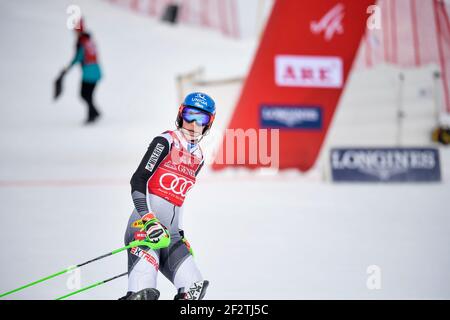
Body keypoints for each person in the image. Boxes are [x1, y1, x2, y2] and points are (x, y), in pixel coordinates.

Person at [120, 92, 216, 300]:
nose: (194, 124)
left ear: (209, 124)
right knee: (143, 295)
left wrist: (179, 233)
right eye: (190, 115)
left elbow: (178, 199)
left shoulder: (198, 157)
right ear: (181, 114)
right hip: (143, 230)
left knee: (194, 289)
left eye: (202, 119)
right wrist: (148, 220)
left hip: (169, 237)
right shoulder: (165, 142)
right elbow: (138, 181)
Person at [61, 18, 102, 124]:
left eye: (75, 30)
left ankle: (92, 115)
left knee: (84, 95)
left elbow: (78, 57)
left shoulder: (82, 42)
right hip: (96, 72)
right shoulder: (89, 40)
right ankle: (94, 113)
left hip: (89, 74)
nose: (74, 32)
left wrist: (67, 68)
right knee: (88, 95)